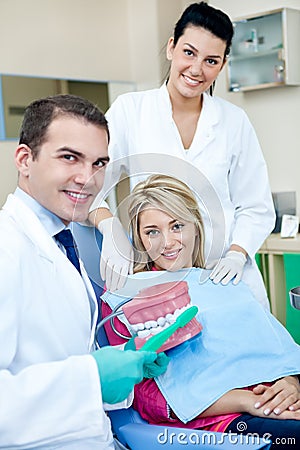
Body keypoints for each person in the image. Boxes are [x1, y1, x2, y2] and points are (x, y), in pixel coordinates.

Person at [0, 95, 169, 449]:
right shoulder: (7, 248)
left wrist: (123, 371)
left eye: (99, 163)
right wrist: (93, 377)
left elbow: (54, 353)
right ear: (24, 159)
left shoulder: (60, 239)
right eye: (69, 158)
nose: (87, 178)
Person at [90, 1, 275, 308]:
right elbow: (89, 185)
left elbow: (256, 205)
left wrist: (237, 254)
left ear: (223, 65)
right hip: (160, 277)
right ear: (171, 47)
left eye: (211, 60)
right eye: (189, 52)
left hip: (226, 277)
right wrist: (110, 228)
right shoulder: (130, 111)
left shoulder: (234, 121)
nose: (197, 69)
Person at [101, 174, 300, 449]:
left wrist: (291, 383)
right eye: (152, 232)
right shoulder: (128, 302)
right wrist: (246, 400)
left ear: (195, 227)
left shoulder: (223, 283)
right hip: (221, 421)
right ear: (140, 239)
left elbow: (277, 351)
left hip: (277, 399)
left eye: (177, 226)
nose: (167, 242)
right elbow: (150, 401)